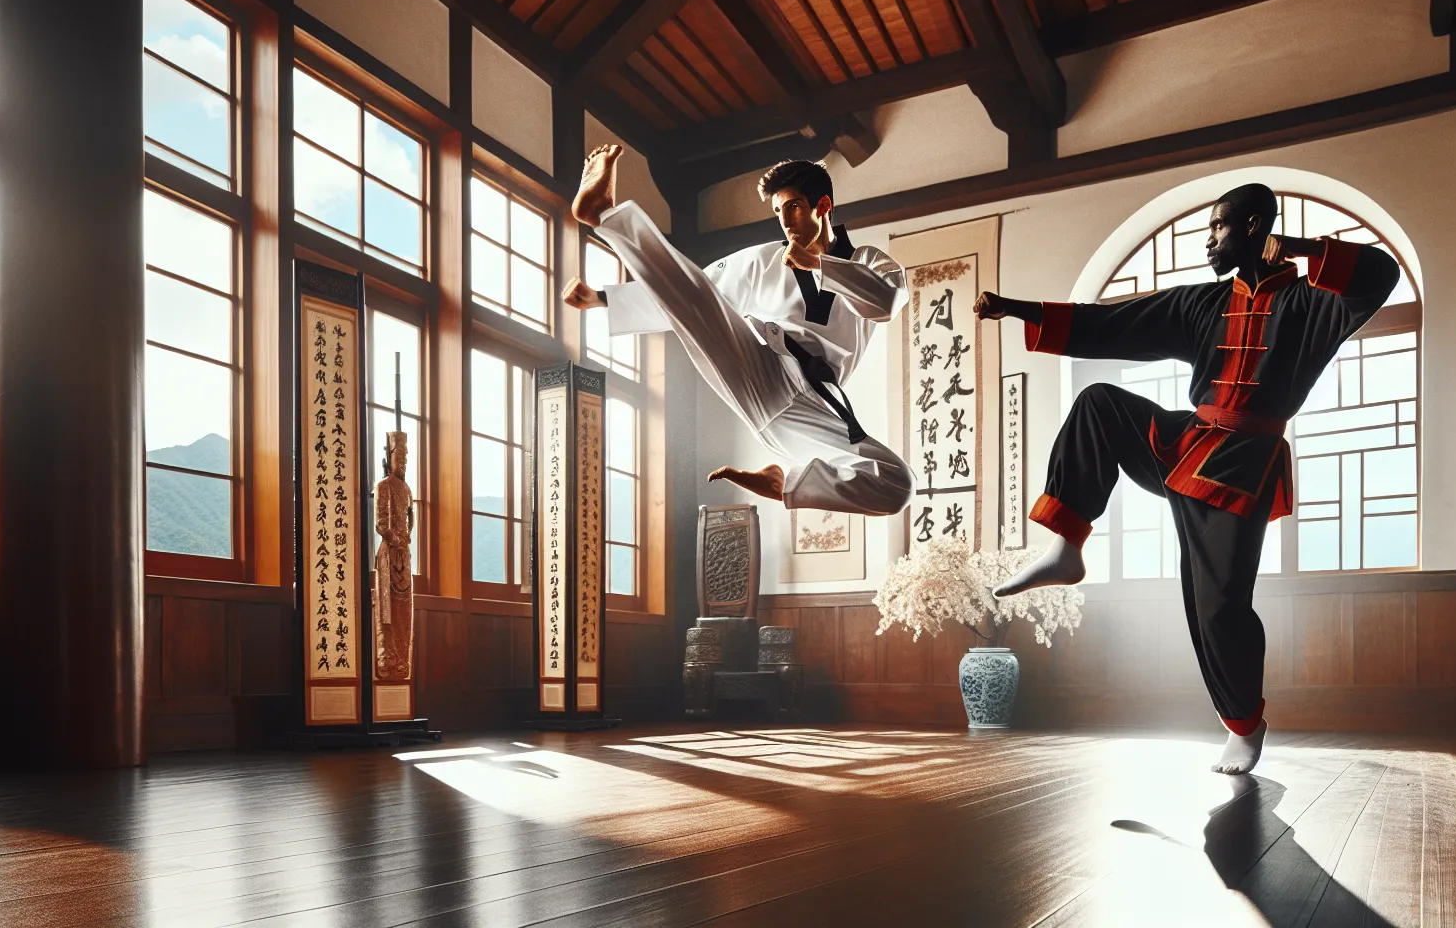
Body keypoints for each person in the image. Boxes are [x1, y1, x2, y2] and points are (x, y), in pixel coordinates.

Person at [976, 183, 1400, 774]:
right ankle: (1066, 546)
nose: (1209, 241)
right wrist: (1017, 309)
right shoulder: (1202, 303)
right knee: (1099, 403)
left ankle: (1244, 726)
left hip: (1243, 465)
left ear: (1255, 228)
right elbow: (1114, 323)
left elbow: (1381, 274)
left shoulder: (1312, 305)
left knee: (1217, 607)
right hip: (1184, 443)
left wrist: (1300, 247)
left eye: (1219, 227)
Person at [563, 144, 914, 517]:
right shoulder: (764, 260)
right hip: (763, 369)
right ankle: (604, 213)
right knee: (698, 302)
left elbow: (887, 302)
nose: (786, 221)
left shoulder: (868, 261)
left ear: (823, 206)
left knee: (897, 485)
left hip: (815, 408)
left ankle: (787, 484)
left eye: (793, 206)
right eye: (778, 211)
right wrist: (604, 299)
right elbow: (694, 291)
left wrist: (818, 265)